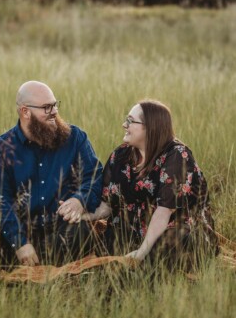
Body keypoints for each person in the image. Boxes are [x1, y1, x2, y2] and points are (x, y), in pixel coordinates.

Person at [0, 81, 103, 267]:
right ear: (25, 112)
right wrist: (20, 242)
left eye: (55, 105)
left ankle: (28, 267)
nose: (55, 112)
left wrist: (80, 200)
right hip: (19, 232)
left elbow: (94, 176)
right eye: (47, 107)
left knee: (81, 232)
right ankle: (25, 263)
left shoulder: (75, 138)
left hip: (60, 232)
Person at [82, 100, 218, 271]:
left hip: (174, 228)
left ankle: (143, 271)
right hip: (135, 228)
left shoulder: (177, 156)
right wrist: (81, 216)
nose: (124, 125)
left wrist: (140, 253)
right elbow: (108, 205)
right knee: (109, 243)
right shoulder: (121, 155)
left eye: (131, 121)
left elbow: (163, 212)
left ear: (150, 127)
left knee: (167, 247)